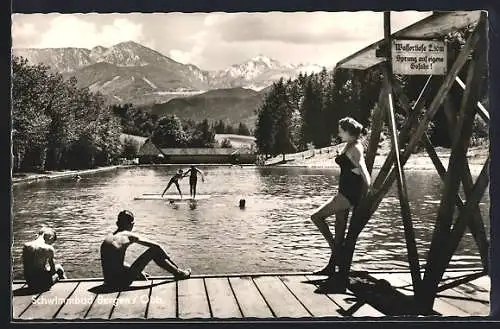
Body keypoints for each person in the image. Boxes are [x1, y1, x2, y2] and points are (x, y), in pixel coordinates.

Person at [310, 117, 372, 277]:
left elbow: (363, 168)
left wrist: (370, 187)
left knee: (316, 217)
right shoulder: (349, 144)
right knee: (339, 230)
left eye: (340, 130)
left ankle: (336, 252)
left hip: (349, 194)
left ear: (347, 131)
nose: (338, 132)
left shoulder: (356, 148)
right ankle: (331, 267)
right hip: (343, 192)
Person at [100, 210, 191, 288]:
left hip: (108, 282)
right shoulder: (128, 235)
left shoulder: (108, 237)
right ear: (132, 224)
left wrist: (138, 272)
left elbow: (115, 262)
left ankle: (178, 272)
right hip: (122, 282)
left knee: (151, 254)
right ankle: (179, 273)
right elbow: (157, 246)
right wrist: (168, 259)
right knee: (154, 250)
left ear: (117, 224)